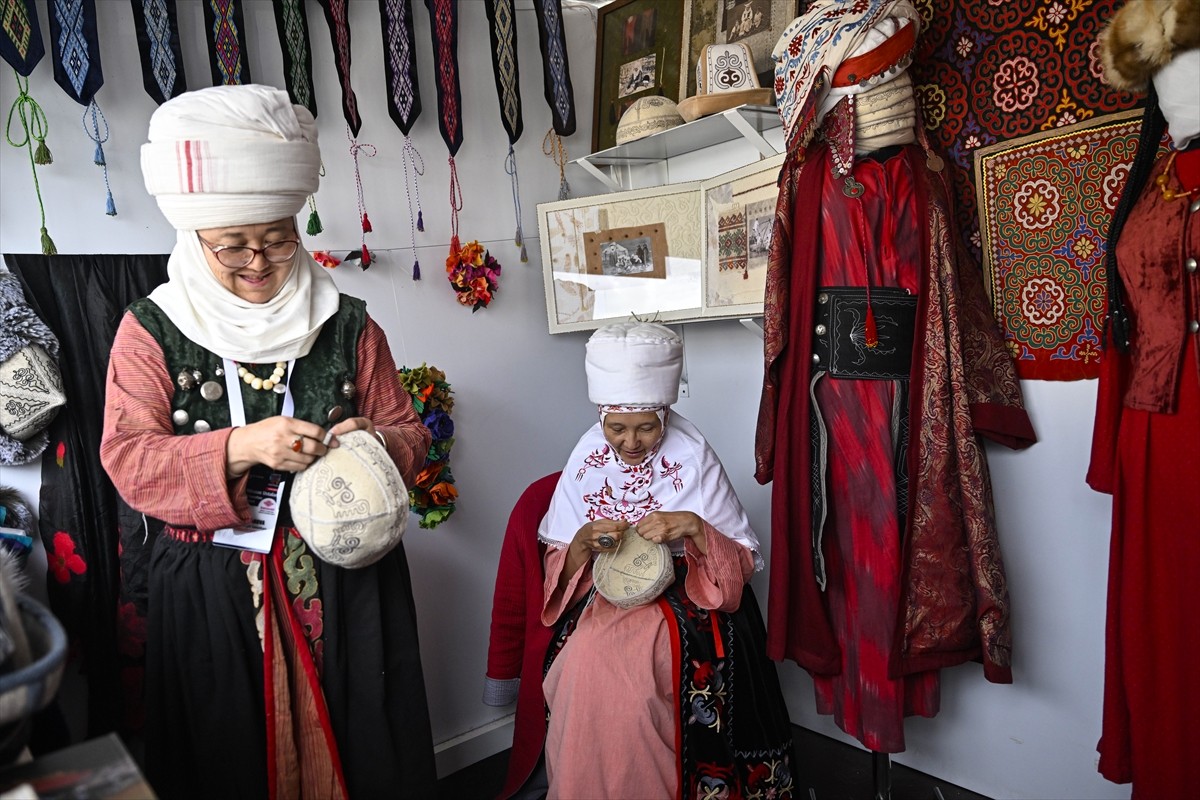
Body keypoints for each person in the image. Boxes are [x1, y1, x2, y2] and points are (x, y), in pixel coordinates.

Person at [99, 84, 436, 799]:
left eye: (278, 240)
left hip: (347, 580)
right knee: (230, 761)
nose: (258, 262)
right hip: (212, 589)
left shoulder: (348, 323)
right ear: (194, 240)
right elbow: (128, 460)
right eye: (233, 246)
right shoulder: (149, 330)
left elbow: (411, 433)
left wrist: (373, 439)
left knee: (361, 741)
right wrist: (240, 446)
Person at [759, 0, 1035, 756]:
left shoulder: (922, 177)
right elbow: (786, 306)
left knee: (897, 550)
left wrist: (975, 394)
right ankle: (860, 717)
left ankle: (883, 717)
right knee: (841, 556)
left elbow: (952, 293)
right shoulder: (812, 180)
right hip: (832, 406)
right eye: (873, 85)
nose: (889, 101)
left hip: (909, 401)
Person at [537, 321, 794, 799]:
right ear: (600, 416)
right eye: (616, 428)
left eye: (645, 428)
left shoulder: (691, 453)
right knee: (577, 674)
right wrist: (585, 541)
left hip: (684, 592)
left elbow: (735, 569)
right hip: (606, 593)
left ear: (665, 413)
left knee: (635, 695)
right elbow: (559, 561)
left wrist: (691, 527)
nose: (630, 442)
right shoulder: (586, 454)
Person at [1089, 1, 1200, 796]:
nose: (1180, 87)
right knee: (1165, 639)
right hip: (1157, 442)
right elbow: (1123, 327)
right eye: (1163, 74)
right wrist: (1113, 452)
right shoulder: (1154, 177)